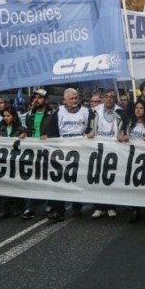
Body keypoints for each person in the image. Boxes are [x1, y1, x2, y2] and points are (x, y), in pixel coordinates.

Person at [43, 88, 94, 222]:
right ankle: (58, 210)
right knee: (60, 180)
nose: (75, 101)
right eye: (71, 99)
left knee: (76, 178)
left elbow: (91, 128)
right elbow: (52, 131)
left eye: (76, 98)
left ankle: (77, 206)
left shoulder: (86, 112)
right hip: (62, 151)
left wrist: (89, 134)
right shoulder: (58, 112)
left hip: (80, 150)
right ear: (65, 100)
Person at [90, 89, 129, 219]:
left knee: (111, 177)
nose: (109, 99)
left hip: (114, 149)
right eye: (106, 96)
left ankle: (111, 206)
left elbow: (124, 128)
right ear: (102, 98)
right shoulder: (95, 111)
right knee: (98, 177)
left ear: (115, 99)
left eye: (112, 97)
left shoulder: (121, 112)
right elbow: (90, 128)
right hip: (98, 149)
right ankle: (98, 207)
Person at [0, 106, 27, 220]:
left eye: (8, 116)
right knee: (4, 183)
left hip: (16, 160)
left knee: (17, 184)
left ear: (14, 116)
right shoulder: (1, 127)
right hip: (2, 160)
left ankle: (18, 206)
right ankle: (5, 209)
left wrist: (25, 137)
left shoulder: (22, 129)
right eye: (4, 116)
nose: (6, 118)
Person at [20, 89, 54, 220]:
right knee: (30, 178)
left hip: (47, 150)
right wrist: (23, 133)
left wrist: (49, 136)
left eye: (40, 98)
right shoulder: (30, 114)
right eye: (35, 97)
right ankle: (29, 207)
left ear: (46, 100)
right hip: (32, 150)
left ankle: (50, 205)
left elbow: (57, 131)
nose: (36, 100)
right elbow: (26, 128)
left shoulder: (53, 114)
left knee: (48, 178)